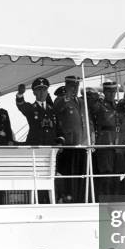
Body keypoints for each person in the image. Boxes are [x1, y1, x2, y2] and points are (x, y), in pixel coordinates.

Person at [53, 75, 92, 203]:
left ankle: (79, 198)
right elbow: (57, 109)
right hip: (69, 144)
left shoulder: (81, 102)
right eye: (72, 86)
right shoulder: (61, 100)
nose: (74, 89)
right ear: (66, 86)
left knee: (80, 175)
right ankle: (68, 198)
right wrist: (67, 96)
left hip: (81, 144)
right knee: (69, 174)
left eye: (76, 86)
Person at [88, 81, 125, 201]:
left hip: (117, 142)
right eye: (109, 92)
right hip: (104, 141)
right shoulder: (99, 105)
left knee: (117, 173)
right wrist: (96, 96)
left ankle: (115, 199)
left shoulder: (117, 105)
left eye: (114, 92)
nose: (112, 94)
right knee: (106, 173)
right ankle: (105, 199)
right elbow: (90, 105)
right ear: (104, 92)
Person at [16, 78, 63, 146]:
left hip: (51, 146)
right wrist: (20, 94)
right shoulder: (31, 108)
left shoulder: (53, 110)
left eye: (44, 90)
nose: (42, 92)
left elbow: (59, 129)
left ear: (47, 92)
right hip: (35, 147)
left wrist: (60, 141)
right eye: (39, 90)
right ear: (34, 92)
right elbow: (21, 105)